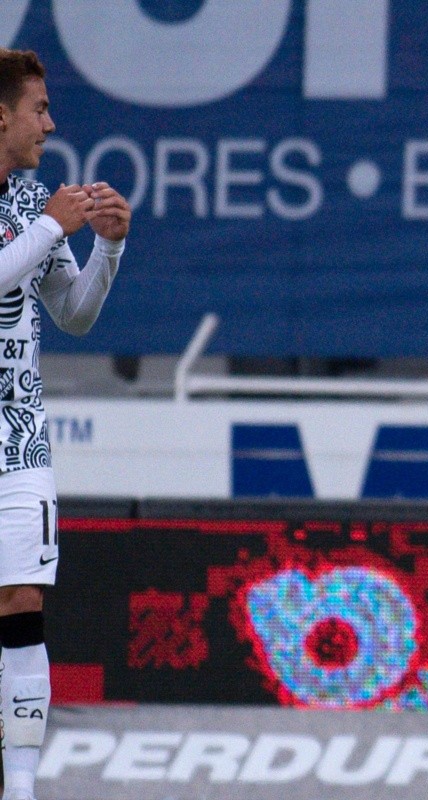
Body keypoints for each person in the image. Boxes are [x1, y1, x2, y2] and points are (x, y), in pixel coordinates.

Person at [0, 49, 130, 800]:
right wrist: (53, 228)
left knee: (22, 602)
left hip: (18, 439)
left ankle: (22, 788)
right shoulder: (39, 215)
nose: (50, 123)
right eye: (40, 108)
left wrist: (108, 245)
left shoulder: (28, 200)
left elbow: (74, 314)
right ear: (2, 115)